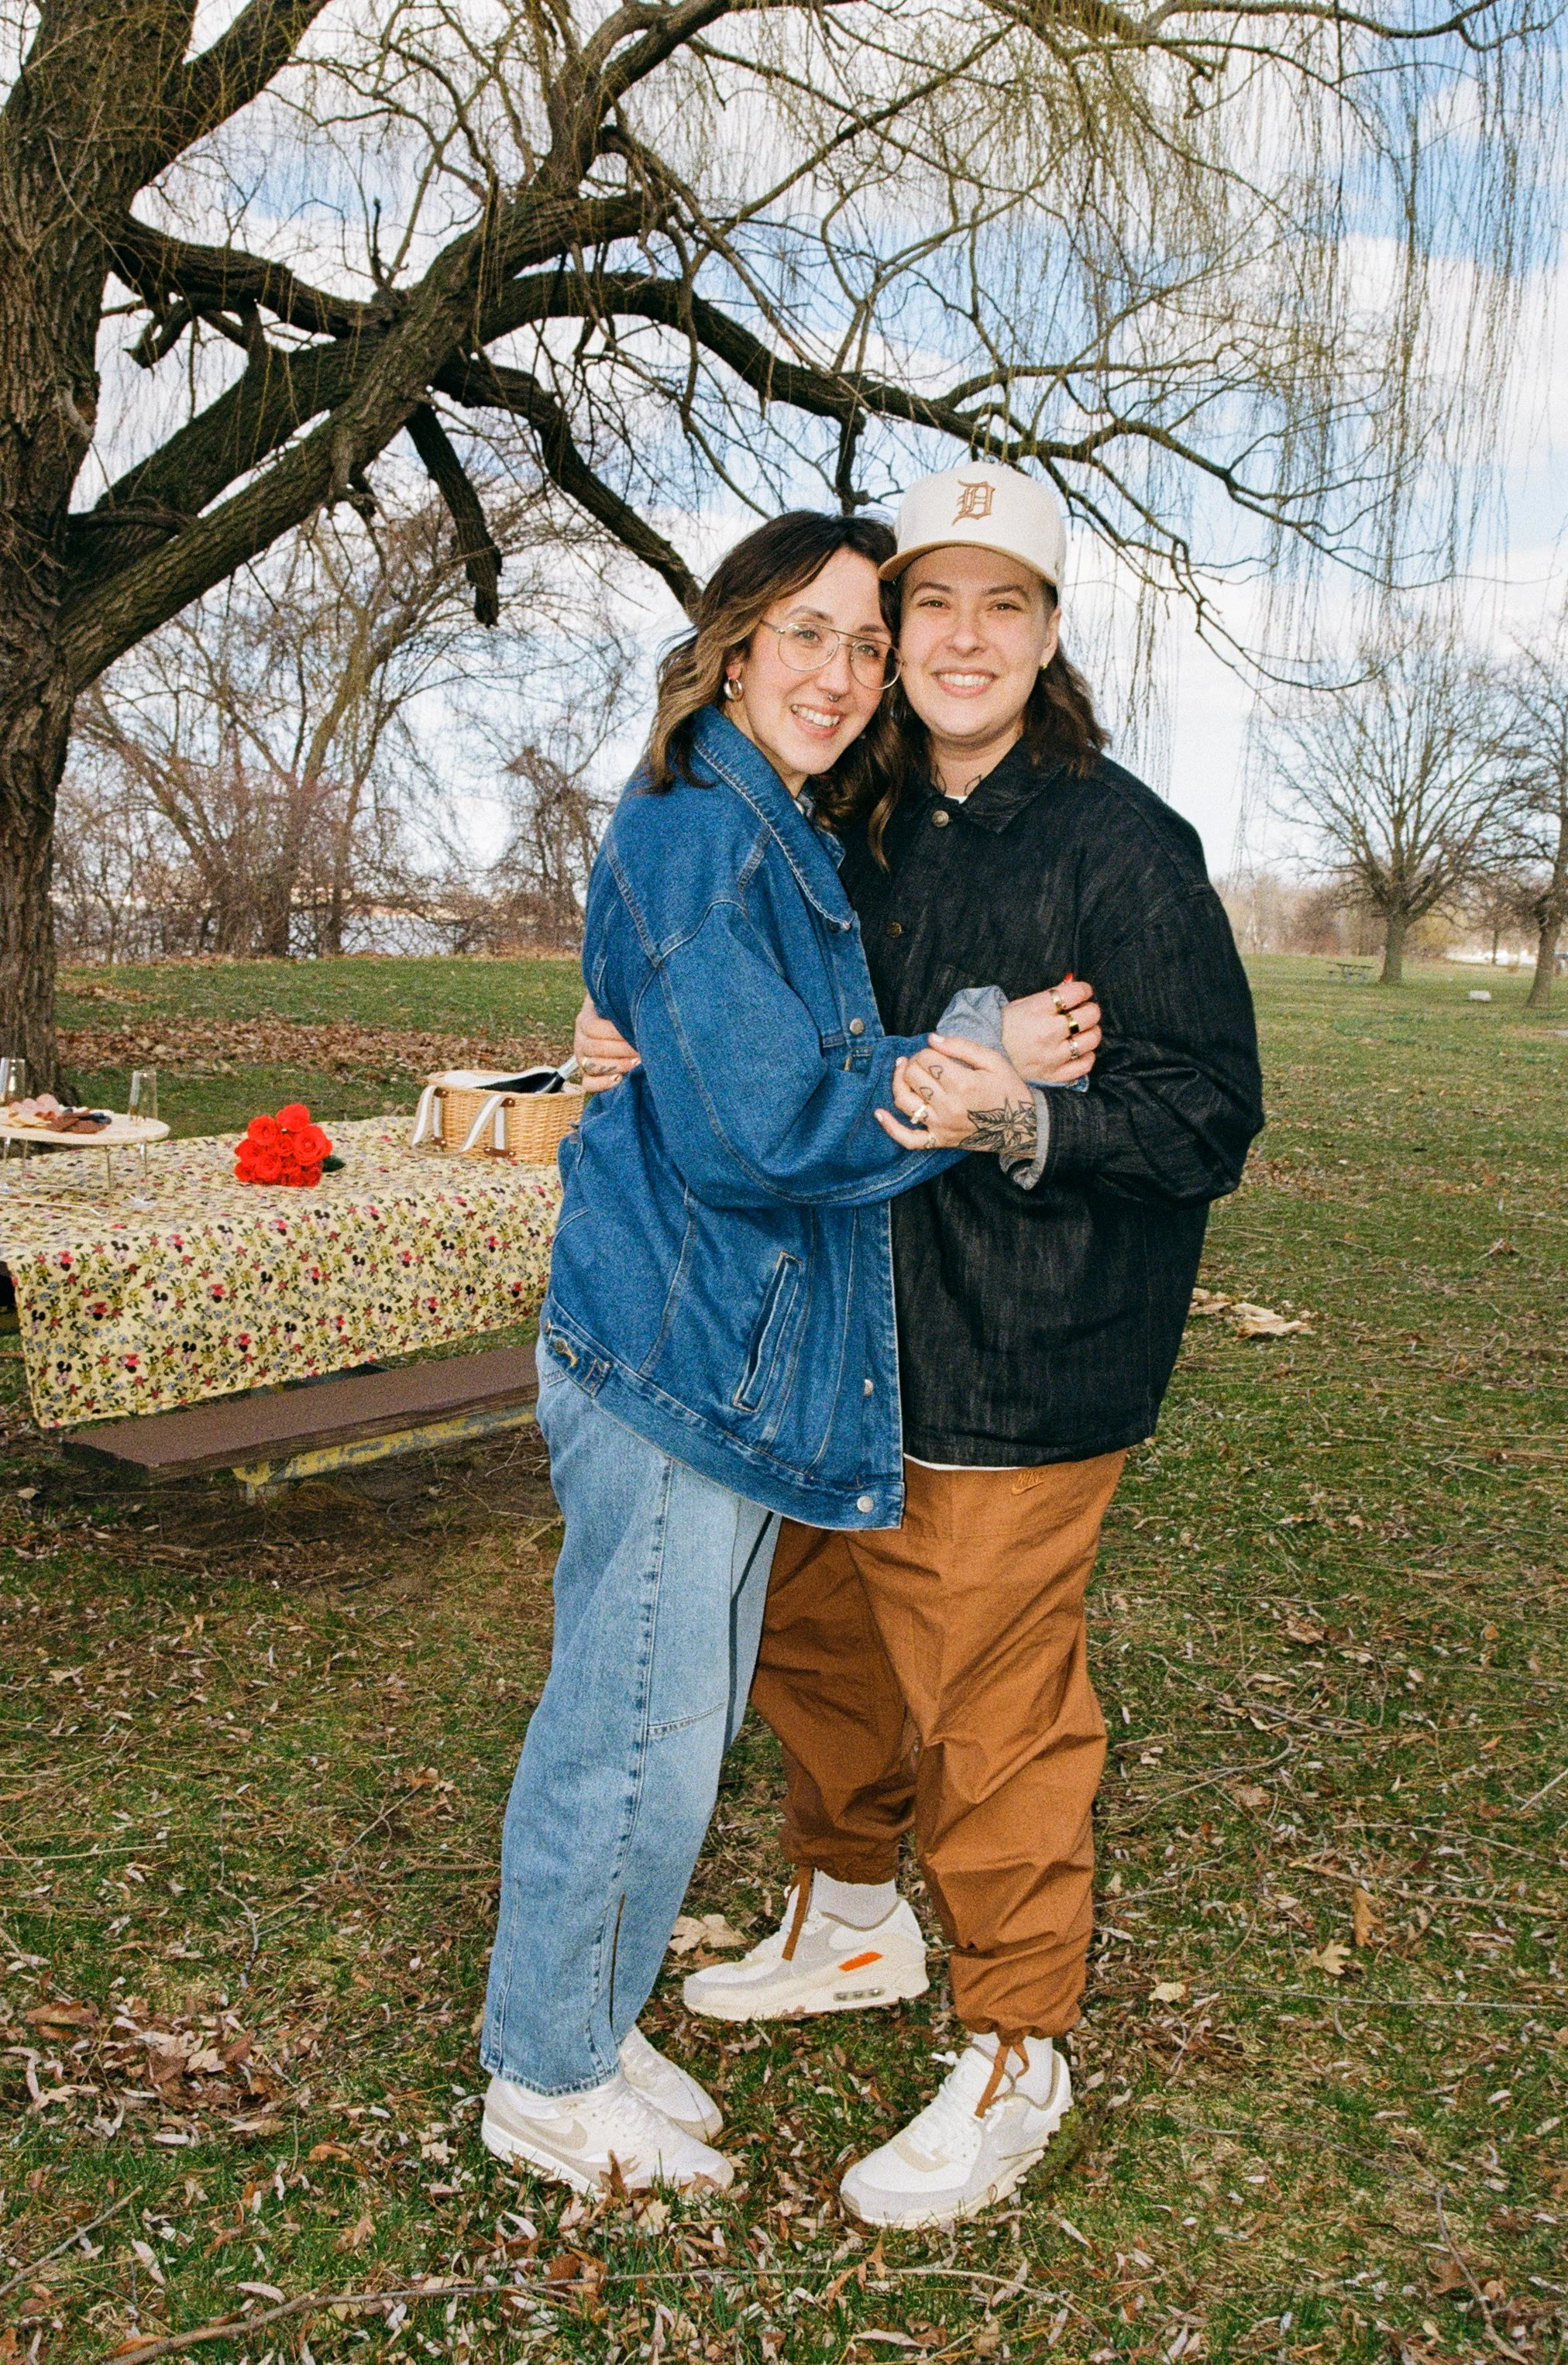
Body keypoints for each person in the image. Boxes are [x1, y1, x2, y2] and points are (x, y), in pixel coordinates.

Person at [576, 461, 1265, 2226]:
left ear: (1047, 635)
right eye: (921, 614)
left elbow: (1203, 1117)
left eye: (997, 607)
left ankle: (1018, 2038)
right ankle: (850, 1912)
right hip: (836, 1334)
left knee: (991, 1708)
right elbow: (774, 1033)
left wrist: (1025, 1124)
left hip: (1020, 1360)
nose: (954, 643)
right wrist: (628, 1025)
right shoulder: (843, 824)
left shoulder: (1125, 846)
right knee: (821, 1645)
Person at [479, 508, 1085, 2198]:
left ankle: (581, 2017)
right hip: (675, 1347)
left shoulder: (768, 821)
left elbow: (735, 1054)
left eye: (864, 645)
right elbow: (766, 1127)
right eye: (806, 634)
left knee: (662, 1712)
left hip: (711, 1356)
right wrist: (977, 1063)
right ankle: (542, 2073)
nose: (842, 670)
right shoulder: (700, 831)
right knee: (631, 1726)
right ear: (733, 646)